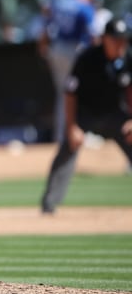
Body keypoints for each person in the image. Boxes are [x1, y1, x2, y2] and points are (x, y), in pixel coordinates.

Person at [41, 18, 132, 214]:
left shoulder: (127, 59)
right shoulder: (87, 58)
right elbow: (70, 93)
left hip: (115, 116)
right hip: (86, 115)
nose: (120, 44)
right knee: (68, 148)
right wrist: (72, 126)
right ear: (104, 39)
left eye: (123, 40)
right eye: (116, 39)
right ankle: (49, 203)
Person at [38, 0, 96, 142]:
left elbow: (45, 24)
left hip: (56, 50)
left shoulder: (58, 1)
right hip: (73, 50)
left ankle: (61, 135)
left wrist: (44, 49)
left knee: (63, 94)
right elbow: (93, 36)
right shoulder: (84, 6)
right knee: (75, 92)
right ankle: (76, 132)